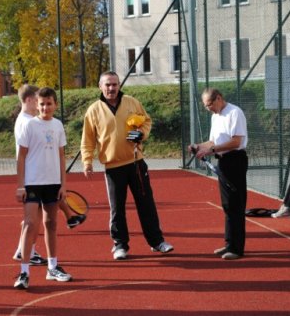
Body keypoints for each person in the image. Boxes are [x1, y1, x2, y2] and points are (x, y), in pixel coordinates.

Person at [81, 71, 173, 261]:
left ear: (119, 85)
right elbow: (88, 138)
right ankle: (120, 245)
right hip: (113, 167)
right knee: (117, 209)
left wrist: (142, 134)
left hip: (136, 162)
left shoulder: (132, 102)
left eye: (114, 84)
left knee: (146, 204)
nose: (111, 88)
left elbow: (146, 121)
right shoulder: (93, 110)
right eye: (107, 85)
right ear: (100, 86)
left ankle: (157, 242)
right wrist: (87, 160)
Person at [12, 84, 86, 266]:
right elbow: (21, 155)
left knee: (45, 222)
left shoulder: (56, 125)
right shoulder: (27, 122)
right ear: (34, 103)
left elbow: (61, 154)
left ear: (55, 105)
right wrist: (21, 184)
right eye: (41, 103)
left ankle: (43, 259)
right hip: (33, 178)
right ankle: (24, 263)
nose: (45, 107)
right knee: (31, 223)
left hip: (49, 179)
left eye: (49, 104)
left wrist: (63, 183)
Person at [190, 88, 248, 260]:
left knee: (236, 204)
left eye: (209, 104)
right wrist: (199, 147)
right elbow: (213, 141)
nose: (208, 108)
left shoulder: (235, 113)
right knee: (227, 204)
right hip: (223, 161)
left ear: (219, 98)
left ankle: (237, 248)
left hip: (235, 160)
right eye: (205, 106)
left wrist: (211, 149)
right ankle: (229, 243)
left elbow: (236, 141)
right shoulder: (215, 116)